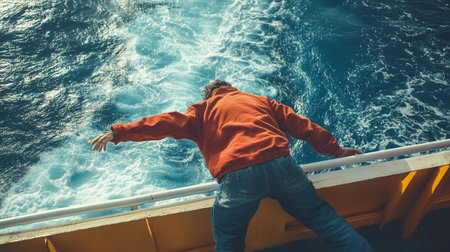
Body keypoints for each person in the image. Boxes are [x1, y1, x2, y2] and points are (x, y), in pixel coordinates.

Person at [89, 79, 372, 251]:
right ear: (231, 89)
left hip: (238, 175)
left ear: (209, 95)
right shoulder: (259, 101)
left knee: (229, 243)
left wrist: (120, 132)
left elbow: (167, 122)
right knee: (325, 220)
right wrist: (336, 150)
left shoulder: (202, 110)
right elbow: (303, 126)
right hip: (281, 164)